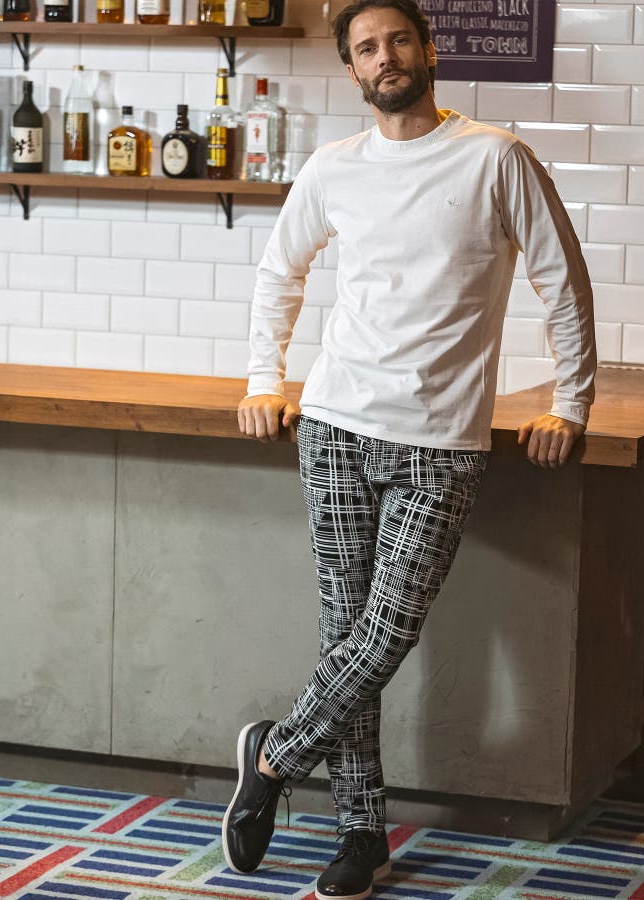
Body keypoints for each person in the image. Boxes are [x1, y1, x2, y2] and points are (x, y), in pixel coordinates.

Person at [222, 1, 597, 897]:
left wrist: (572, 404)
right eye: (366, 48)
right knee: (345, 635)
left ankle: (273, 757)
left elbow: (563, 282)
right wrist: (265, 380)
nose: (384, 57)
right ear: (353, 70)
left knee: (387, 631)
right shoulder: (333, 167)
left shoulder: (496, 157)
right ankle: (362, 835)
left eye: (397, 40)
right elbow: (279, 272)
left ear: (428, 50)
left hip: (440, 441)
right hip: (334, 426)